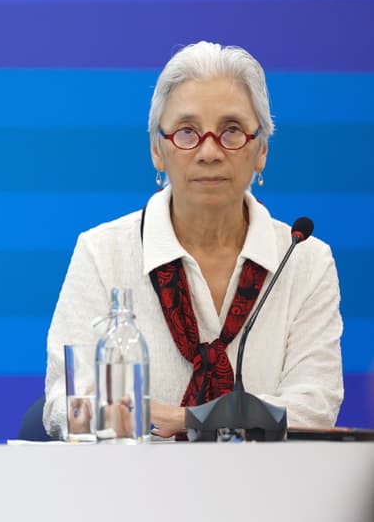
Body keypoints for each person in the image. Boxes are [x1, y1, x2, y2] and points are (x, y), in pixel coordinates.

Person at [43, 41, 343, 439]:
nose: (209, 151)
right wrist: (148, 422)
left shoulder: (303, 258)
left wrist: (191, 421)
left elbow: (316, 406)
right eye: (187, 132)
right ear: (156, 149)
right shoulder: (103, 252)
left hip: (267, 491)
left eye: (231, 131)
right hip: (132, 490)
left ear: (261, 152)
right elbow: (66, 402)